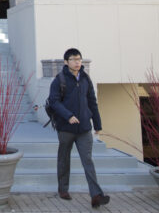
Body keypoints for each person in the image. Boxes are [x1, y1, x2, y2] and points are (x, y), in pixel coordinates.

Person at [49, 48, 110, 208]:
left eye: (79, 59)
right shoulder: (59, 79)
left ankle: (96, 195)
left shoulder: (85, 78)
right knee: (64, 158)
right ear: (66, 62)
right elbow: (54, 102)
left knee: (87, 160)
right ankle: (63, 189)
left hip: (84, 128)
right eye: (74, 59)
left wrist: (97, 124)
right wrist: (68, 115)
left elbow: (92, 101)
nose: (77, 62)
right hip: (65, 128)